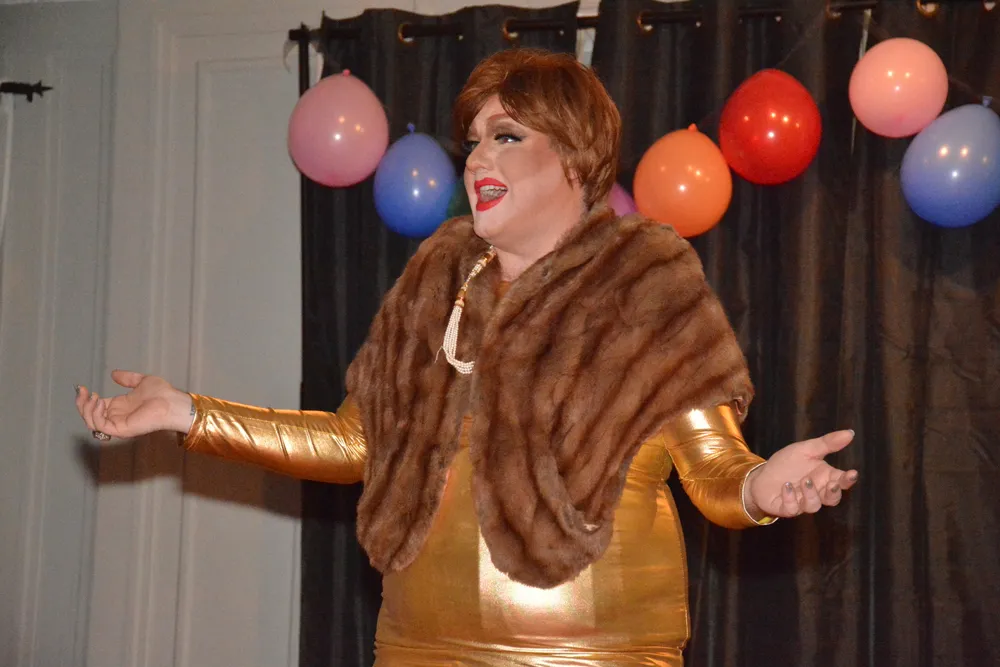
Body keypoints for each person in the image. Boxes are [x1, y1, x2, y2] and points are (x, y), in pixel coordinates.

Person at [75, 48, 859, 666]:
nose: (479, 157)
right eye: (475, 140)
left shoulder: (646, 284)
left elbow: (714, 471)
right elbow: (354, 442)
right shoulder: (436, 280)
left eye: (507, 136)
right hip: (416, 647)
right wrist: (188, 413)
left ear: (575, 157)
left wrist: (762, 485)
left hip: (592, 654)